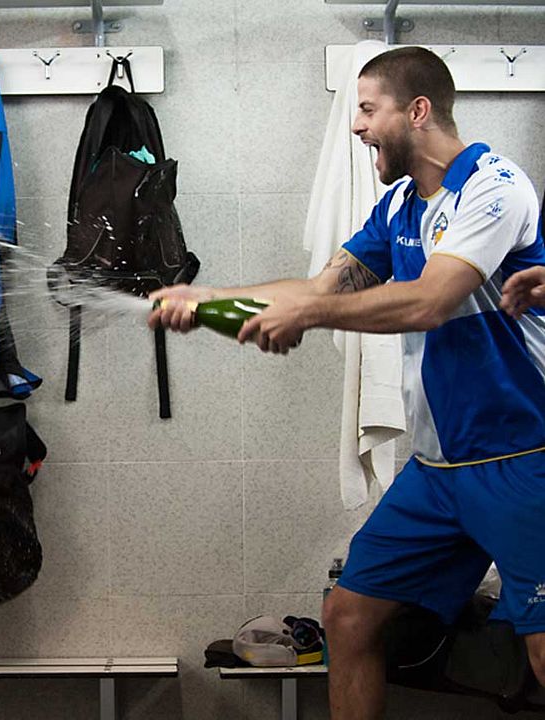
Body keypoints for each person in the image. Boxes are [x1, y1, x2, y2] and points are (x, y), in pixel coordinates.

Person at [149, 46, 545, 719]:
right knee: (348, 617)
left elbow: (428, 301)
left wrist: (305, 311)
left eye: (366, 109)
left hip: (519, 461)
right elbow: (319, 288)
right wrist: (210, 301)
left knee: (542, 653)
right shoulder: (396, 207)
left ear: (416, 110)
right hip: (437, 469)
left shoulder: (493, 186)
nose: (356, 127)